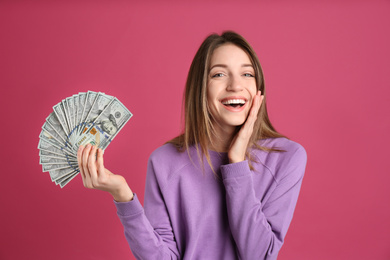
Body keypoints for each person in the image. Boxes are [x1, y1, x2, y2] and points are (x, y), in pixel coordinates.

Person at [77, 31, 307, 260]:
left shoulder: (287, 157)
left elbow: (258, 256)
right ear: (201, 89)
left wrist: (237, 163)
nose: (236, 85)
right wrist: (123, 197)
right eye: (219, 75)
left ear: (259, 89)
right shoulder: (164, 161)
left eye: (247, 74)